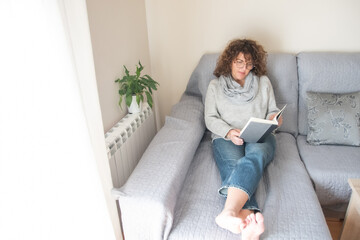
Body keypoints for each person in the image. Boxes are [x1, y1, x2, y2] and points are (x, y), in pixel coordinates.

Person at [204, 39, 283, 240]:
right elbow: (210, 118)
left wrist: (275, 119)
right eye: (239, 62)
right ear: (229, 61)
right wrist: (229, 132)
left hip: (259, 135)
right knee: (233, 165)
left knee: (254, 157)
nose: (244, 68)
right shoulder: (215, 86)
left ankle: (229, 212)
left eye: (248, 63)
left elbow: (273, 111)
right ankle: (247, 225)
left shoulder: (263, 82)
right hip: (227, 137)